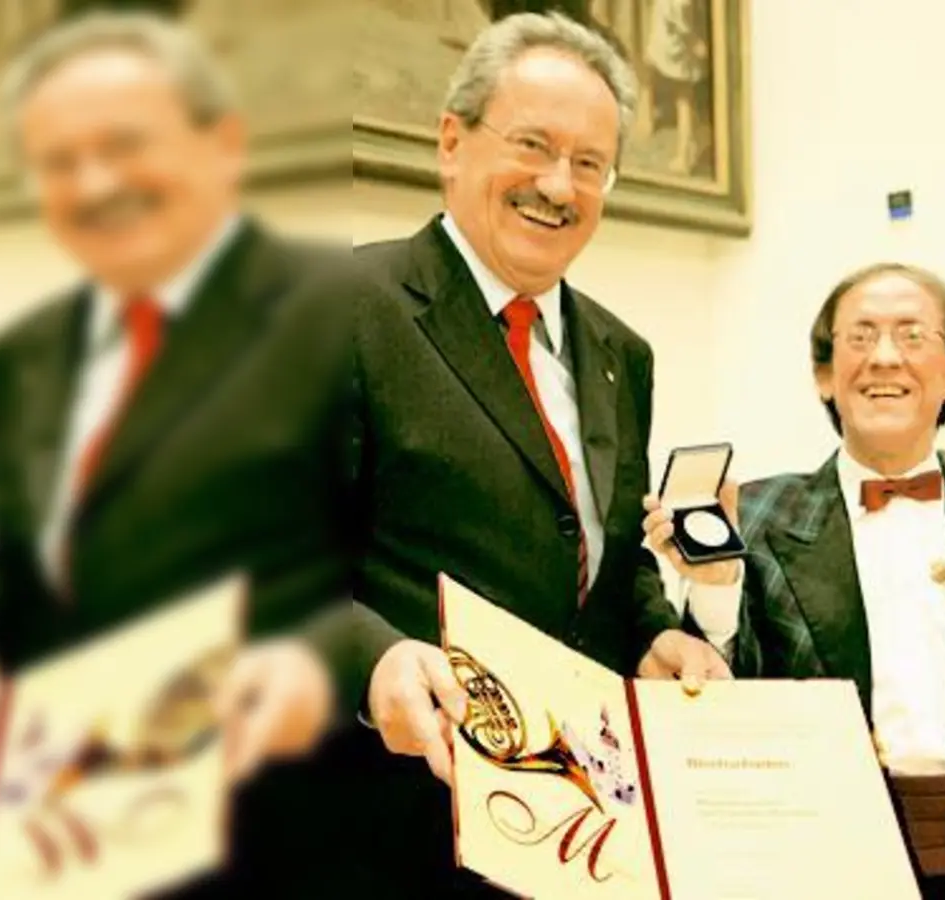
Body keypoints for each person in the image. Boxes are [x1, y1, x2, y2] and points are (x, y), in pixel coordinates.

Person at [0, 13, 363, 895]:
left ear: (222, 145)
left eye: (123, 144)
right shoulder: (22, 357)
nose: (93, 182)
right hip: (63, 838)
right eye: (57, 161)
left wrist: (318, 663)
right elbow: (25, 566)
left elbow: (411, 563)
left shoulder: (342, 310)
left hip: (285, 839)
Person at [342, 12, 726, 895]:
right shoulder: (343, 310)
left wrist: (658, 635)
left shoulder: (621, 355)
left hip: (581, 836)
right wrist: (374, 663)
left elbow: (607, 562)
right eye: (533, 146)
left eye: (589, 164)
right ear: (451, 142)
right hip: (393, 831)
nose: (559, 184)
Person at [648, 262, 945, 900]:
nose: (884, 357)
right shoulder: (757, 517)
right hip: (811, 871)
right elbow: (708, 705)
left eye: (912, 336)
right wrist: (714, 584)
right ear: (825, 376)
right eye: (860, 337)